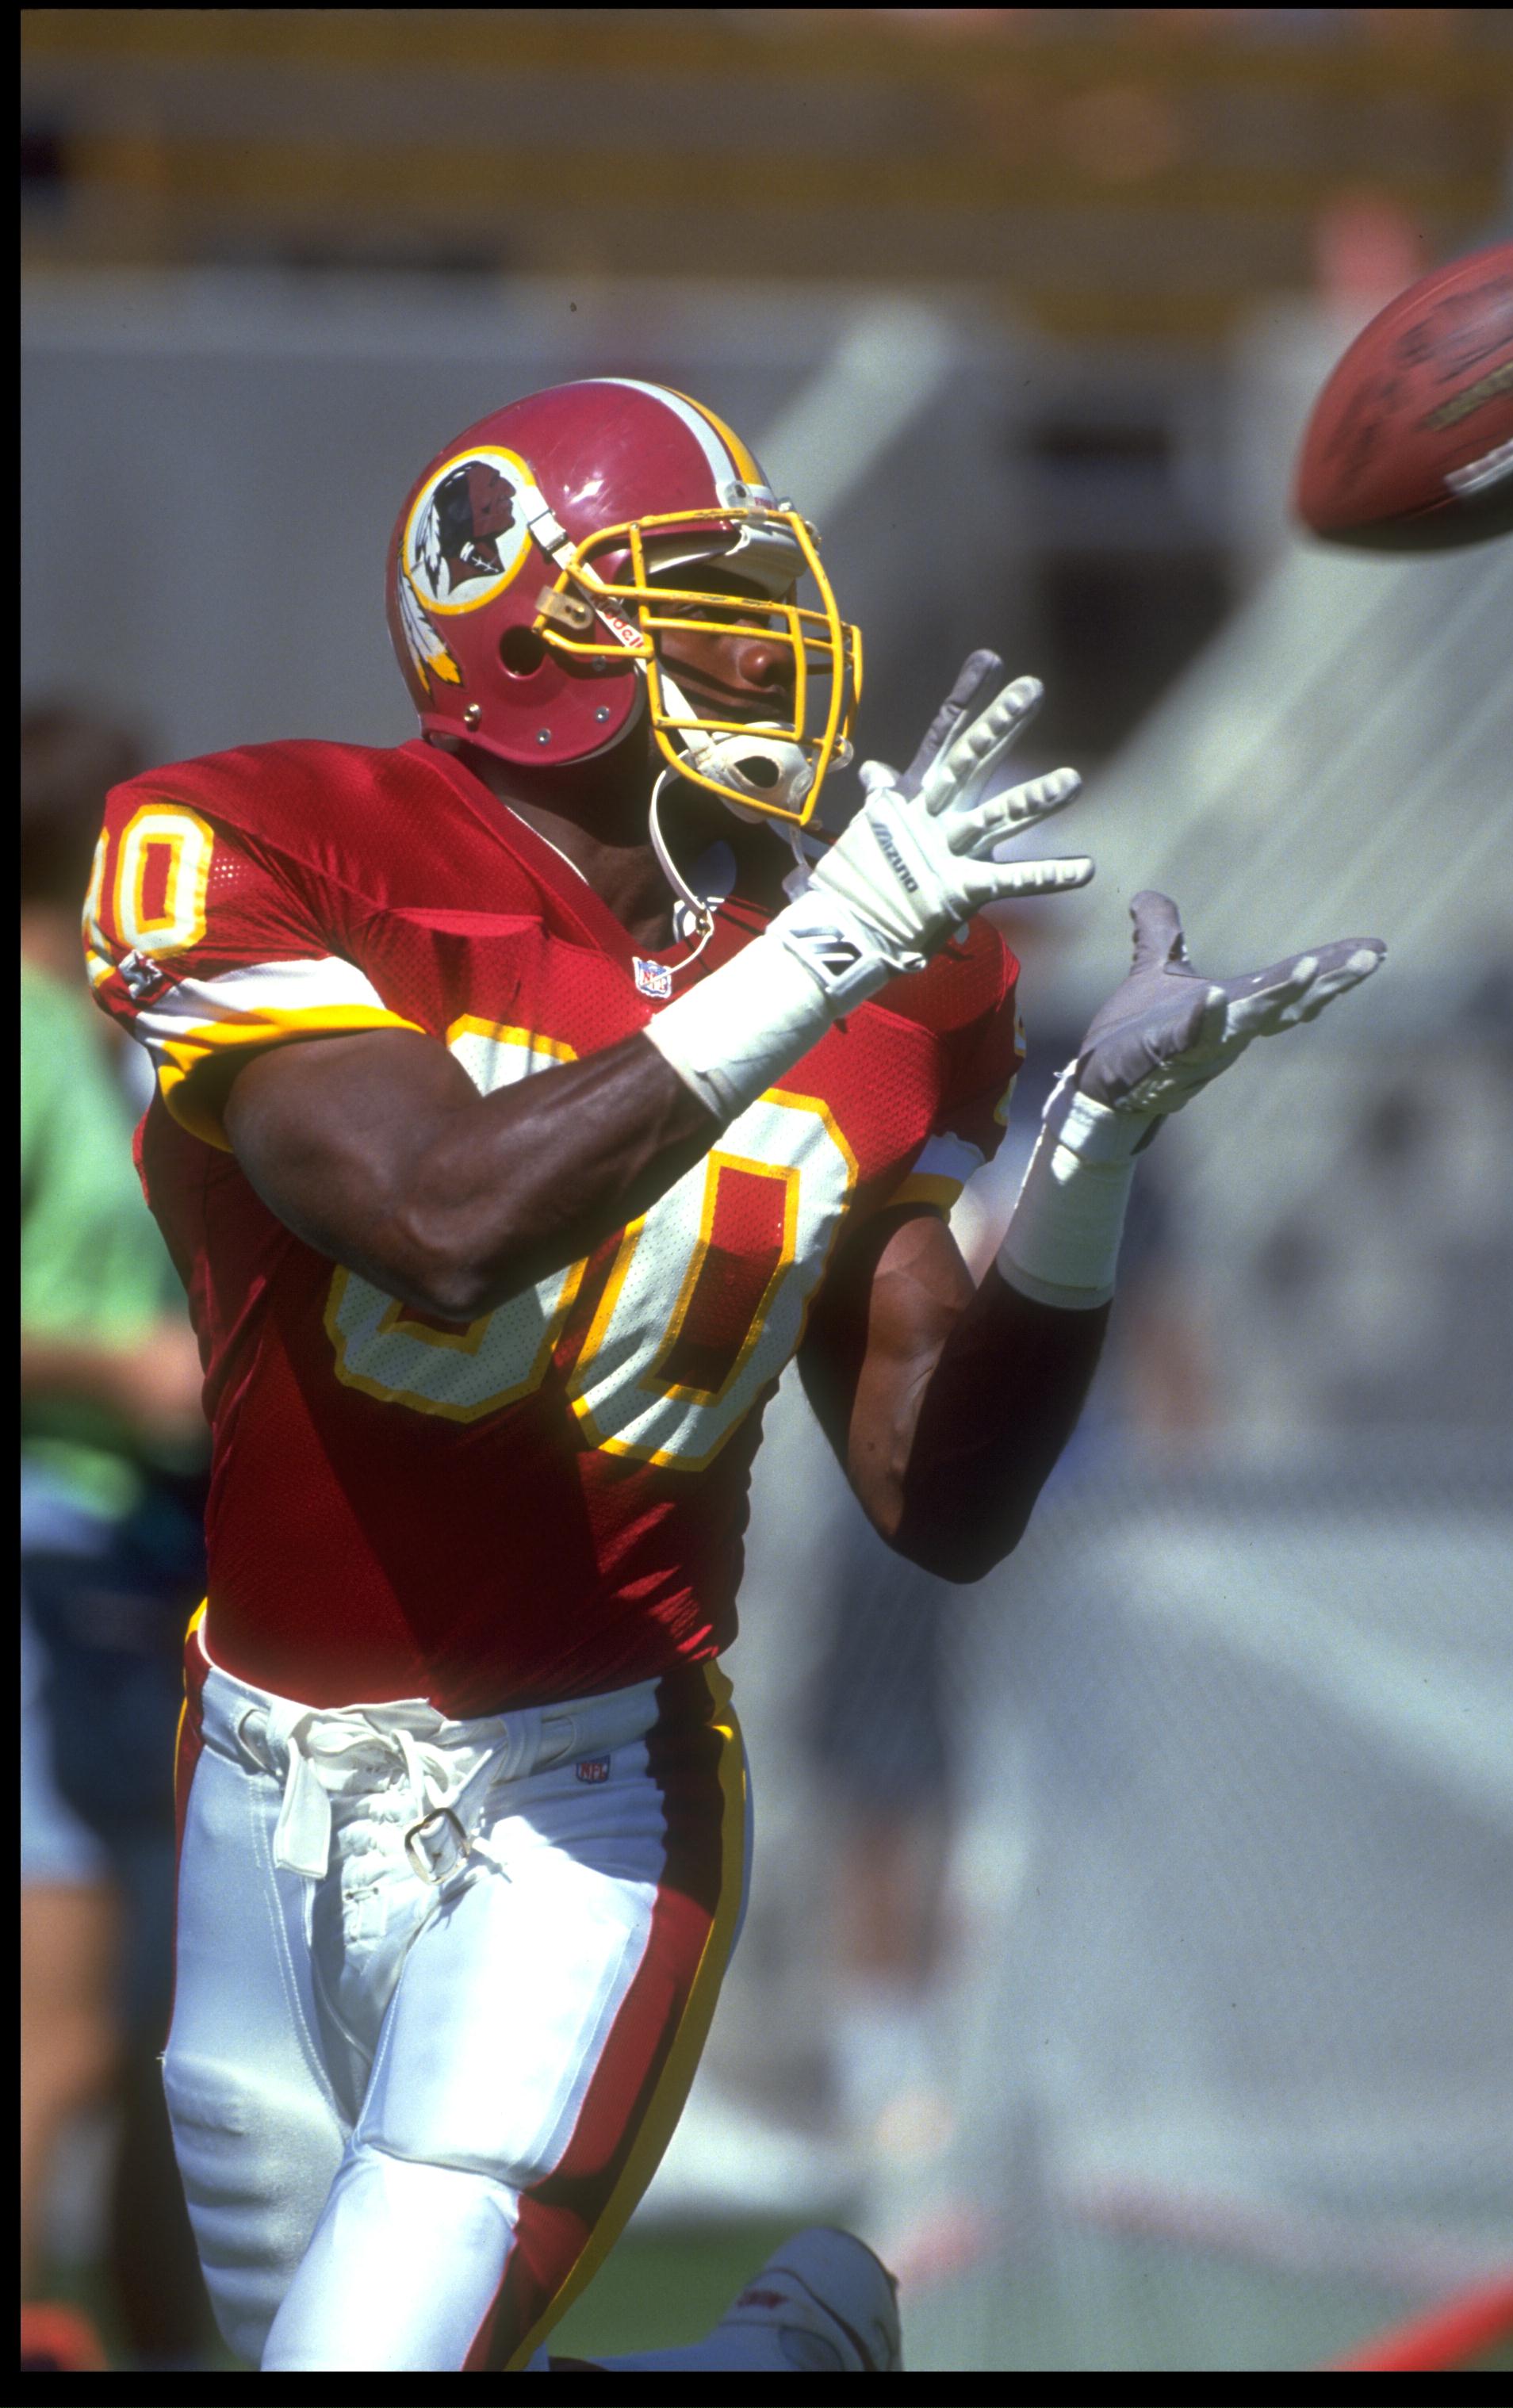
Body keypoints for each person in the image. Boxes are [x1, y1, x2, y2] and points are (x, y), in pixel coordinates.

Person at [82, 377, 1384, 2373]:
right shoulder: (265, 841)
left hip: (587, 1802)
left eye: (752, 593)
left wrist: (1083, 1163)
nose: (750, 637)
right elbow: (438, 1218)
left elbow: (935, 1497)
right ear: (510, 626)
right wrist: (817, 961)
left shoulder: (887, 975)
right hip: (256, 1773)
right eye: (679, 592)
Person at [21, 706, 215, 2372]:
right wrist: (132, 1368)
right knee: (79, 2014)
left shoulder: (106, 1034)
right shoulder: (20, 1036)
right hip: (52, 1552)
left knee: (138, 2005)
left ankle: (159, 2325)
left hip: (128, 1552)